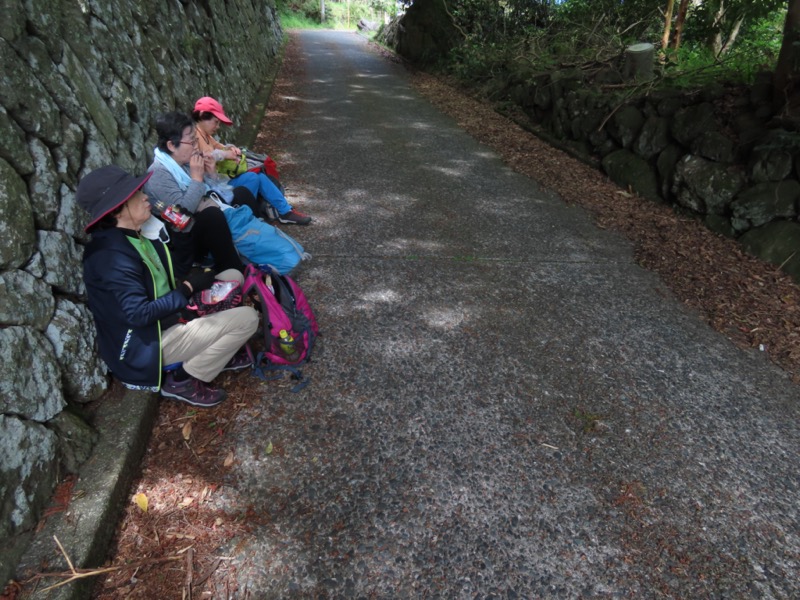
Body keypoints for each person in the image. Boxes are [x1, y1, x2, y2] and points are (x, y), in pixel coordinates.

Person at [77, 165, 259, 407]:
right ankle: (184, 379)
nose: (144, 196)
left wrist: (182, 236)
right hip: (145, 344)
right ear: (117, 209)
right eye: (135, 194)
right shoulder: (111, 258)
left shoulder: (135, 234)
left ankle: (217, 352)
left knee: (233, 275)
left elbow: (173, 272)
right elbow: (138, 314)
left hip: (168, 316)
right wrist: (186, 289)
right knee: (248, 318)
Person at [144, 111, 253, 279]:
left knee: (241, 193)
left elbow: (211, 190)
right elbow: (182, 213)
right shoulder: (158, 174)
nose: (196, 145)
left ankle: (255, 244)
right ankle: (233, 270)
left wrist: (211, 174)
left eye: (196, 139)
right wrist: (197, 177)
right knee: (212, 216)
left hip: (203, 210)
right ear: (172, 145)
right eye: (191, 140)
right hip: (182, 236)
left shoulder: (184, 161)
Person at [192, 96, 312, 225]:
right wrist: (225, 154)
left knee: (258, 176)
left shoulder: (205, 135)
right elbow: (204, 157)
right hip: (211, 188)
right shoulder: (192, 135)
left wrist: (231, 148)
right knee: (254, 178)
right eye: (216, 122)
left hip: (220, 181)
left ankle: (285, 211)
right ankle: (250, 217)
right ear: (202, 115)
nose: (218, 126)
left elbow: (218, 146)